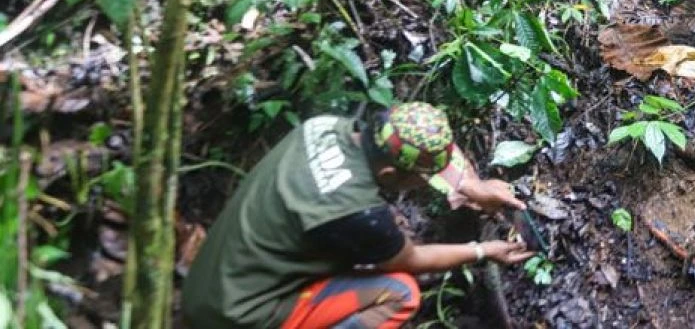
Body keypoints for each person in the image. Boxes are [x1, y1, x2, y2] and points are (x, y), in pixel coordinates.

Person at [182, 102, 534, 329]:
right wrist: (484, 251)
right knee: (399, 293)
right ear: (390, 178)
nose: (425, 185)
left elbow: (418, 138)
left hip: (208, 288)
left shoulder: (323, 127)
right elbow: (410, 260)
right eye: (421, 179)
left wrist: (468, 184)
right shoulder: (360, 214)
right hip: (237, 316)